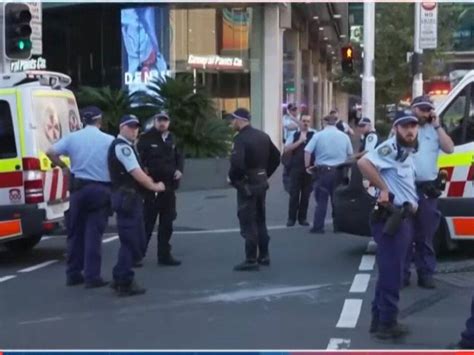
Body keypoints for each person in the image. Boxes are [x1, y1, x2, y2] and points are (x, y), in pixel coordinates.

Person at [357, 109, 419, 340]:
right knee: (392, 273)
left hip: (403, 217)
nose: (410, 130)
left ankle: (379, 319)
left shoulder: (406, 150)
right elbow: (364, 163)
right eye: (405, 126)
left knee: (389, 272)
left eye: (413, 126)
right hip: (393, 217)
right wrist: (383, 188)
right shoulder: (391, 148)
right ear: (395, 129)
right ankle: (387, 324)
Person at [46, 106, 114, 288]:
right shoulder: (109, 140)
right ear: (99, 121)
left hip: (78, 190)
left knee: (75, 233)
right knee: (93, 235)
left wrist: (63, 167)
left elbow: (50, 152)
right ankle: (92, 276)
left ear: (84, 120)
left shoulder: (72, 138)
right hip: (100, 190)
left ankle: (73, 274)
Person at [108, 115, 166, 296]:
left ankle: (120, 275)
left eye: (136, 127)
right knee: (131, 240)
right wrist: (155, 186)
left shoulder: (126, 146)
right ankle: (124, 280)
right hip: (128, 198)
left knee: (133, 239)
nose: (134, 130)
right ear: (121, 127)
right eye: (130, 127)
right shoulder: (123, 147)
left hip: (128, 197)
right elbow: (136, 173)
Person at [403, 96, 454, 289]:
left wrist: (438, 126)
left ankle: (426, 274)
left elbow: (449, 148)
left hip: (426, 189)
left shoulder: (435, 132)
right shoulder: (404, 129)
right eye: (420, 109)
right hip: (406, 189)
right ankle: (403, 274)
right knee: (405, 234)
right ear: (413, 110)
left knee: (425, 235)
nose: (424, 113)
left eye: (427, 109)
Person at [228, 108, 280, 271]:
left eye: (233, 120)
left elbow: (237, 163)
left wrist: (235, 179)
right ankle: (264, 255)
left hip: (248, 183)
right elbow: (276, 157)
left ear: (239, 120)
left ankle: (251, 259)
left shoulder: (240, 139)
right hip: (261, 180)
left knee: (247, 220)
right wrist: (265, 173)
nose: (231, 123)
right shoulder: (262, 136)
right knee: (260, 219)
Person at [137, 111, 184, 266]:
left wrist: (179, 171)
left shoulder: (172, 138)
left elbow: (179, 157)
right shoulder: (146, 139)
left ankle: (164, 255)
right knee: (147, 223)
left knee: (167, 223)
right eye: (159, 120)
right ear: (155, 121)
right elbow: (148, 162)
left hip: (169, 188)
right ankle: (138, 255)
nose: (162, 123)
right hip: (152, 187)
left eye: (165, 120)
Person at [304, 114, 353, 233]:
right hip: (339, 171)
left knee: (321, 200)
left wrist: (307, 166)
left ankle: (318, 227)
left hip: (323, 171)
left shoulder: (318, 135)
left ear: (324, 122)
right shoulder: (344, 136)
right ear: (336, 122)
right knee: (337, 200)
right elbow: (350, 155)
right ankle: (338, 227)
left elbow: (307, 151)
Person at [283, 115, 317, 227]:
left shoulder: (314, 135)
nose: (305, 123)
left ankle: (302, 218)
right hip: (295, 168)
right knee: (294, 194)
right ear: (300, 122)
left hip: (309, 168)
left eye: (308, 121)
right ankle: (291, 218)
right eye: (303, 121)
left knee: (306, 195)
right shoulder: (294, 134)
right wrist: (300, 141)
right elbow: (286, 149)